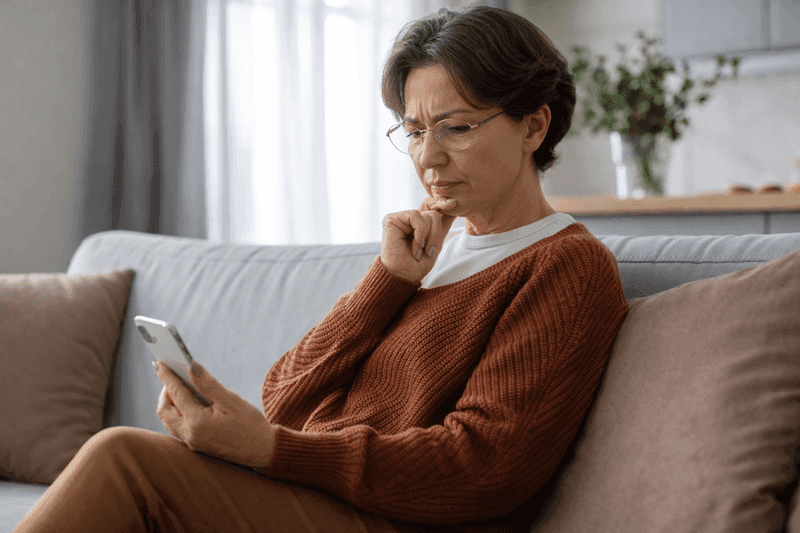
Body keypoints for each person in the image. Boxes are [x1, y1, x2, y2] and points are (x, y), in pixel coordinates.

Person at [14, 5, 627, 533]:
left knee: (125, 457)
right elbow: (282, 398)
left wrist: (273, 450)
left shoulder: (565, 265)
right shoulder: (427, 256)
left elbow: (482, 464)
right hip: (318, 501)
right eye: (413, 131)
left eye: (456, 128)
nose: (428, 157)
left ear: (534, 125)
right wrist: (386, 283)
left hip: (393, 522)